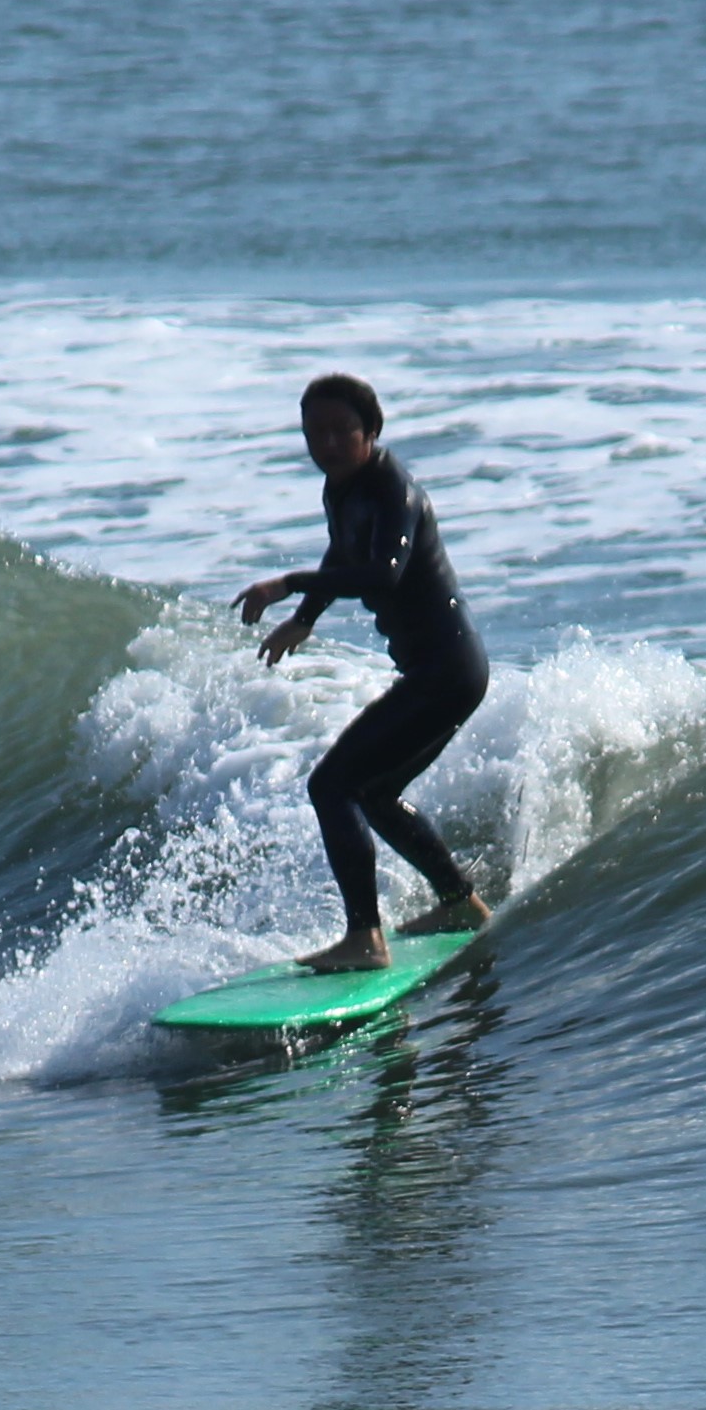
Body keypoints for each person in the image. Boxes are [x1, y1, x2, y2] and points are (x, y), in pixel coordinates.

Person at [232, 372, 494, 973]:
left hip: (447, 669)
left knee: (332, 786)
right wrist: (305, 617)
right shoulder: (341, 488)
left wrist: (288, 583)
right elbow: (342, 554)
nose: (325, 443)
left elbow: (384, 574)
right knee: (372, 792)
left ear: (370, 431)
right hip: (435, 670)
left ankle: (365, 939)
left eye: (340, 430)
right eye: (313, 432)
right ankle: (460, 902)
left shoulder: (391, 488)